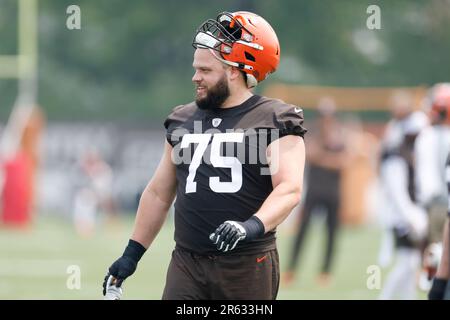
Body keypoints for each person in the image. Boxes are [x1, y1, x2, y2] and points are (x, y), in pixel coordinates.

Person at [102, 11, 306, 300]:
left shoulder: (275, 118)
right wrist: (131, 254)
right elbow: (159, 193)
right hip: (187, 263)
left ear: (234, 70)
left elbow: (289, 189)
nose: (195, 77)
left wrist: (249, 226)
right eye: (196, 68)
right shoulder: (182, 119)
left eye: (206, 71)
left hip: (247, 265)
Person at [283, 98, 347, 287]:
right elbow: (310, 153)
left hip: (333, 192)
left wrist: (324, 157)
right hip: (313, 191)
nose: (326, 119)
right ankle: (291, 270)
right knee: (303, 231)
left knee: (331, 233)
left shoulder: (340, 133)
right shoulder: (312, 131)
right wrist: (330, 159)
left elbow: (344, 161)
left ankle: (325, 272)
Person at [378, 102, 429, 300]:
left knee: (410, 262)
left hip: (408, 215)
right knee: (407, 263)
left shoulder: (409, 156)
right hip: (402, 218)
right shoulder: (397, 158)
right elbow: (398, 195)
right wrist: (413, 217)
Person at [420, 83, 450, 299]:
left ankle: (431, 277)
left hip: (437, 199)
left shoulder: (429, 136)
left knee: (435, 245)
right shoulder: (431, 135)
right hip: (439, 199)